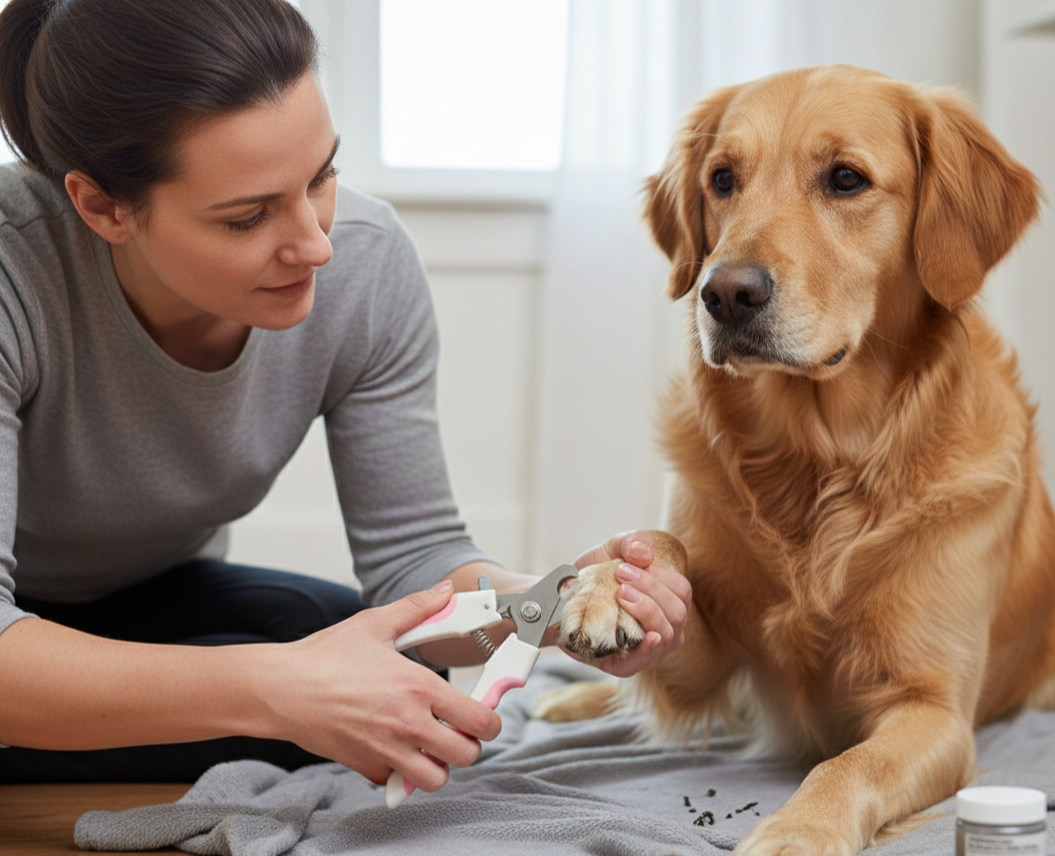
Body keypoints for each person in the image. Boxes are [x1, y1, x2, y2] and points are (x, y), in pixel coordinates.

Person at [0, 0, 691, 788]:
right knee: (315, 694)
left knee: (388, 676)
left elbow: (415, 565)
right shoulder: (14, 270)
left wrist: (556, 610)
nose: (317, 243)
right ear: (101, 206)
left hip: (144, 596)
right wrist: (274, 692)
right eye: (248, 217)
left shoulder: (365, 267)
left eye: (322, 175)